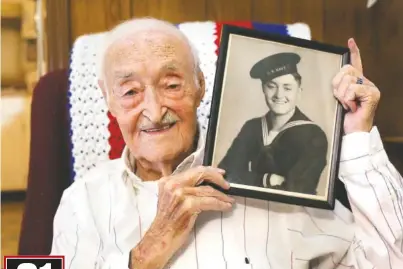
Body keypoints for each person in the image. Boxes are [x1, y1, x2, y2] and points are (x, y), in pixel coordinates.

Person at [51, 18, 403, 269]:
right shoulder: (83, 201)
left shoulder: (278, 186)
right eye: (130, 92)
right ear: (107, 99)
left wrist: (357, 135)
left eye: (172, 85)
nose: (155, 112)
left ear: (200, 86)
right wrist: (143, 256)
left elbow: (389, 260)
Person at [218, 52, 328, 195]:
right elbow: (224, 174)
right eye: (271, 86)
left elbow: (297, 191)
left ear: (299, 92)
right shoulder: (252, 128)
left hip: (293, 214)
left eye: (287, 88)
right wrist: (266, 179)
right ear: (263, 89)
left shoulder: (313, 136)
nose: (279, 95)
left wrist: (248, 179)